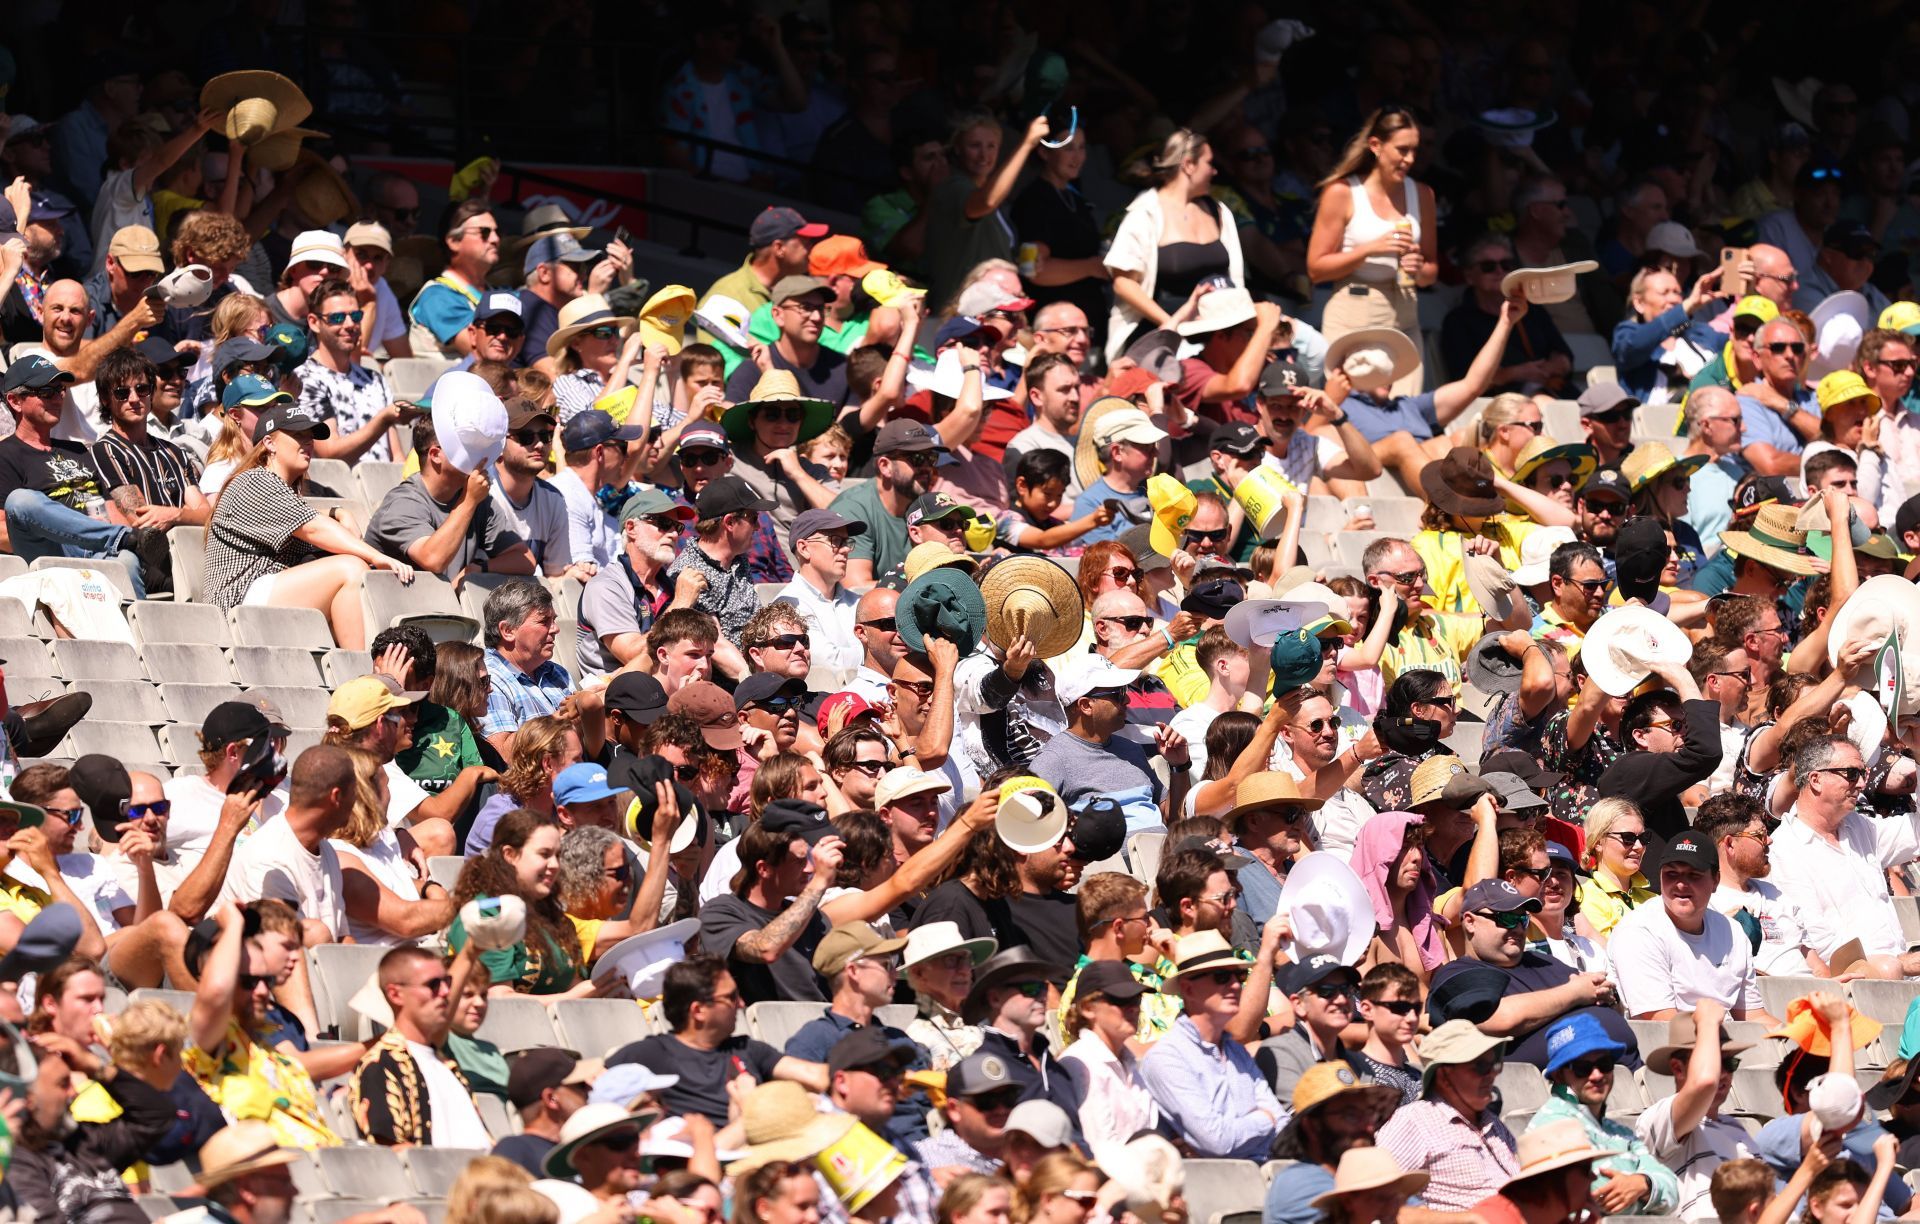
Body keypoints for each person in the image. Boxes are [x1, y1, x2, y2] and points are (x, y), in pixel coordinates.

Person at [203, 396, 412, 650]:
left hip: (265, 592)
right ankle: (359, 669)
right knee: (350, 569)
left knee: (355, 572)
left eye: (309, 436)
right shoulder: (254, 481)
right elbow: (314, 527)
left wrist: (338, 512)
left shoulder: (284, 491)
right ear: (269, 442)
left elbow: (312, 521)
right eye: (298, 435)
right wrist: (377, 556)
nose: (308, 442)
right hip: (236, 601)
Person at [0, 355, 165, 594]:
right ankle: (125, 537)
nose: (58, 398)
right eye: (47, 392)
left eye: (60, 390)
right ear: (15, 401)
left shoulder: (77, 449)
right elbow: (3, 531)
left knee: (127, 561)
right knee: (21, 500)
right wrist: (67, 531)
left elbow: (108, 507)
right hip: (50, 547)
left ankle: (135, 628)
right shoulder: (5, 454)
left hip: (97, 545)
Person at [1427, 879, 1631, 1069]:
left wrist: (1609, 999)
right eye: (1506, 918)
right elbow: (1497, 1018)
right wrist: (1575, 993)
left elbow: (1602, 999)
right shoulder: (1456, 974)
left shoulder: (1543, 961)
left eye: (1522, 919)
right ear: (1470, 922)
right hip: (1544, 1093)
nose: (1516, 928)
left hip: (1622, 1076)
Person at [605, 953, 826, 1126]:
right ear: (698, 1010)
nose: (741, 1004)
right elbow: (597, 1084)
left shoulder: (749, 1049)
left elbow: (815, 1076)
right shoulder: (652, 1054)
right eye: (731, 997)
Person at [1306, 108, 1437, 397]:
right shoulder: (1342, 193)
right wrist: (1369, 250)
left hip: (1405, 312)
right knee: (1353, 412)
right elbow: (1316, 269)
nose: (1410, 159)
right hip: (1355, 310)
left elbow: (1431, 272)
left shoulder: (1423, 194)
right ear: (1376, 146)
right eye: (1402, 150)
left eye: (1415, 150)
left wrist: (1419, 267)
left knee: (1405, 411)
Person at [186, 901, 337, 1149]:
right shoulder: (210, 1042)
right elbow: (215, 992)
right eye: (248, 981)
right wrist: (232, 923)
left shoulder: (271, 1045)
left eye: (266, 980)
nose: (263, 991)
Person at [1768, 734, 1920, 977]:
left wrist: (1918, 752)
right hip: (1856, 984)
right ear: (1816, 780)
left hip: (1900, 971)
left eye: (1863, 773)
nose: (1861, 784)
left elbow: (1917, 831)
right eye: (1851, 773)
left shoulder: (1860, 828)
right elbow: (1818, 943)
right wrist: (1899, 964)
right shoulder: (1786, 850)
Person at [1137, 930, 1286, 1159]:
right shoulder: (1167, 1058)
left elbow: (1283, 1126)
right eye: (1221, 977)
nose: (1236, 986)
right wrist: (1265, 1119)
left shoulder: (1235, 1051)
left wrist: (1254, 1126)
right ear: (1188, 989)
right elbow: (1218, 1142)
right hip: (1222, 1187)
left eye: (1240, 976)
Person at [1104, 129, 1245, 355]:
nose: (1215, 171)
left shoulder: (1218, 211)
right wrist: (1172, 325)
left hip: (1217, 334)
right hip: (1161, 339)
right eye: (1209, 163)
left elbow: (1235, 278)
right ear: (1189, 164)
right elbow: (1123, 283)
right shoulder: (1144, 214)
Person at [1527, 1013, 1681, 1216]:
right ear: (1559, 1074)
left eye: (1604, 1064)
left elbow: (1672, 1191)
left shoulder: (1621, 1133)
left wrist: (1642, 1183)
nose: (1597, 1075)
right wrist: (1644, 1194)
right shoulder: (1551, 1123)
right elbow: (1593, 1197)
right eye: (1582, 1068)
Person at [1608, 830, 1767, 1021]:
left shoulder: (1732, 932)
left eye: (1694, 875)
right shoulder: (1638, 932)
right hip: (1670, 1046)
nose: (1681, 884)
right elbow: (1662, 1022)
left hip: (1726, 1041)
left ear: (1715, 880)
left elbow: (1754, 1017)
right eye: (1672, 874)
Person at [365, 411, 537, 586]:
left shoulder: (479, 500)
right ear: (435, 454)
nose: (477, 455)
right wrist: (469, 501)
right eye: (466, 447)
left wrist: (480, 568)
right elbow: (434, 560)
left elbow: (525, 560)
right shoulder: (403, 503)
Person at [698, 808, 842, 1004]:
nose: (809, 868)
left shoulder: (814, 918)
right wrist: (819, 882)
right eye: (799, 861)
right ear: (764, 868)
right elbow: (765, 948)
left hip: (824, 1025)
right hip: (767, 1029)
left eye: (809, 858)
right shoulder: (720, 913)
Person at [350, 945, 491, 1146]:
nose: (445, 992)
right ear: (396, 994)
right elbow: (391, 1150)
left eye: (447, 982)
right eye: (433, 985)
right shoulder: (382, 1063)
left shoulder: (447, 1065)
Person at [1375, 1020, 1518, 1210]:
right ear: (1444, 1076)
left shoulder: (1492, 1123)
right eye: (1481, 1066)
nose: (1492, 1074)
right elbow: (1375, 1194)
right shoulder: (1416, 1121)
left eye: (1494, 1064)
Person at [1634, 1003, 1757, 1221]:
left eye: (1729, 1063)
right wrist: (1707, 1021)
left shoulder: (1736, 1129)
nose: (1724, 1073)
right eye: (1716, 1061)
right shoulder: (1658, 1118)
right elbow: (1704, 1083)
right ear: (1678, 1068)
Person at [449, 810, 588, 997]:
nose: (555, 864)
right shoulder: (487, 915)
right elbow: (500, 1000)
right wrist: (577, 996)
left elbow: (575, 986)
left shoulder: (557, 919)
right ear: (510, 855)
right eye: (544, 854)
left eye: (557, 855)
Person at [1695, 794, 1829, 977]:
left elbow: (1816, 965)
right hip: (1764, 999)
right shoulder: (1705, 905)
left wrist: (1830, 986)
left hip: (1811, 995)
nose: (1769, 840)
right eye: (1760, 835)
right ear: (1729, 844)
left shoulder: (1776, 894)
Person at [924, 114, 1045, 308]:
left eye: (991, 146)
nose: (984, 155)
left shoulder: (991, 197)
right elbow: (986, 202)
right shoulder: (953, 187)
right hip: (960, 314)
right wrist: (1026, 145)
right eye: (975, 146)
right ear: (957, 148)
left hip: (992, 311)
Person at [87, 345, 210, 535]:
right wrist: (185, 513)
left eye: (142, 389)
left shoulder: (175, 452)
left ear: (151, 392)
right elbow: (141, 521)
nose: (134, 398)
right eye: (122, 393)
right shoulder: (107, 450)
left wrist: (174, 515)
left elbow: (207, 515)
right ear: (105, 398)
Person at [576, 488, 697, 676]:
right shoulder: (606, 586)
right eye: (664, 524)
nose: (674, 534)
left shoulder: (672, 586)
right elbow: (632, 655)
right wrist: (681, 603)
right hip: (619, 697)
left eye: (677, 527)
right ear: (631, 528)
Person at [1263, 1062, 1402, 1224]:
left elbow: (1418, 1212)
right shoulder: (1297, 1181)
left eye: (1369, 1114)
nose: (1368, 1126)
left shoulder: (1373, 1178)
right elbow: (1404, 1216)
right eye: (1351, 1116)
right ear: (1312, 1126)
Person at [294, 278, 411, 463]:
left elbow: (396, 457)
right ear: (314, 322)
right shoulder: (304, 378)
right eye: (337, 318)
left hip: (385, 487)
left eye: (355, 316)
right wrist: (383, 420)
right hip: (338, 490)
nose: (350, 324)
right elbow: (329, 453)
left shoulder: (375, 379)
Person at [1056, 958, 1157, 1155]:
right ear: (1087, 1008)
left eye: (1136, 1000)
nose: (1134, 1008)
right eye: (1120, 1000)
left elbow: (1150, 1128)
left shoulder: (1127, 1062)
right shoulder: (1080, 1064)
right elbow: (1101, 1148)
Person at [1256, 955, 1367, 1102]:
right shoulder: (1279, 1054)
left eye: (1346, 989)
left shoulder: (1358, 1060)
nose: (1341, 999)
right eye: (1326, 991)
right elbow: (1301, 1120)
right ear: (1299, 1004)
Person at [409, 199, 501, 357]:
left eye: (497, 232)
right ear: (453, 241)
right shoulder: (436, 296)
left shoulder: (496, 293)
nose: (495, 239)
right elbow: (484, 355)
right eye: (484, 232)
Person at [493, 1049, 601, 1176]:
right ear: (551, 1098)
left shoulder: (575, 1150)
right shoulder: (515, 1151)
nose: (590, 1088)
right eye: (580, 1085)